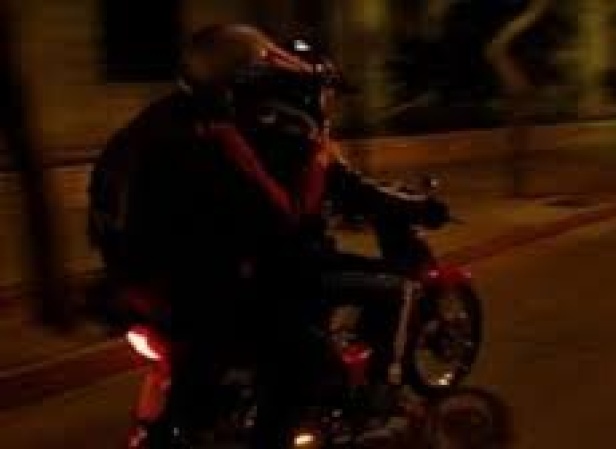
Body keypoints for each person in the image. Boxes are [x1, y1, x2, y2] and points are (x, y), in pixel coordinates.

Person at [88, 24, 449, 448]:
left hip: (139, 285)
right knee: (309, 366)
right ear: (235, 83)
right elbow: (279, 217)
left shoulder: (153, 125)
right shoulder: (224, 139)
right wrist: (316, 173)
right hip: (203, 290)